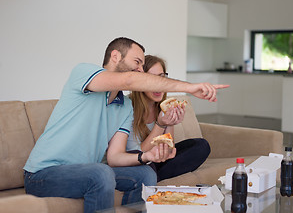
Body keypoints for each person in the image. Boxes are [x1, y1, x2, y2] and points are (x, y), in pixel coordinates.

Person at [23, 37, 229, 213]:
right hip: (43, 174)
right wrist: (190, 87)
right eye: (137, 63)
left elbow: (114, 157)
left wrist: (146, 157)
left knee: (146, 173)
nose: (141, 70)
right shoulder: (83, 73)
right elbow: (130, 80)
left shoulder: (124, 106)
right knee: (99, 173)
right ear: (115, 56)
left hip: (86, 170)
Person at [127, 55, 211, 181]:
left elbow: (169, 150)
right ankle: (152, 177)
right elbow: (137, 153)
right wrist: (160, 125)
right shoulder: (128, 108)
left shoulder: (163, 106)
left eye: (161, 78)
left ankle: (156, 176)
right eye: (152, 78)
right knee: (148, 168)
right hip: (138, 162)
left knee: (202, 145)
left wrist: (171, 123)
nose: (158, 84)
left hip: (158, 160)